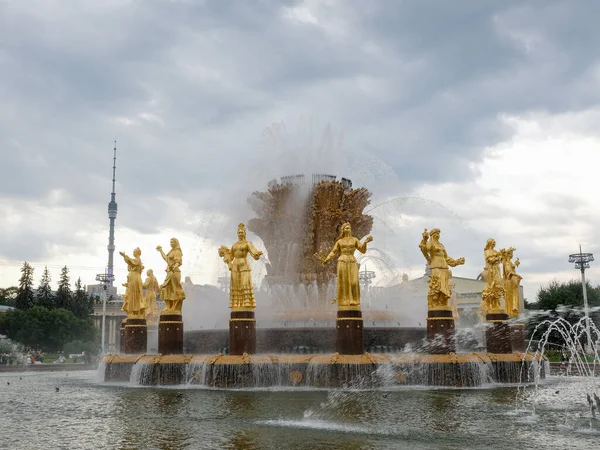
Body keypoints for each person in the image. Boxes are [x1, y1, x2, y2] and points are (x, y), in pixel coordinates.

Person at [320, 222, 373, 309]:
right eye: (346, 228)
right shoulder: (339, 241)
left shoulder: (355, 240)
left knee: (354, 282)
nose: (348, 230)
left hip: (352, 260)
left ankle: (354, 300)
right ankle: (344, 300)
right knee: (343, 281)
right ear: (343, 230)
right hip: (342, 261)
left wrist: (365, 242)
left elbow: (362, 250)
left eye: (349, 228)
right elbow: (333, 252)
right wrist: (326, 260)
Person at [218, 223, 263, 309]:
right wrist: (225, 255)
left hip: (244, 264)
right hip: (235, 265)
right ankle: (236, 304)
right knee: (236, 284)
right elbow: (231, 256)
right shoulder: (234, 245)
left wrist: (257, 254)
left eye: (242, 232)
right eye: (239, 233)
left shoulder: (248, 243)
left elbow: (253, 252)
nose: (240, 234)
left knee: (244, 283)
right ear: (237, 233)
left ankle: (247, 303)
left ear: (244, 233)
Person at [157, 238, 186, 314]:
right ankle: (168, 307)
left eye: (172, 242)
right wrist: (161, 251)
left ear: (176, 242)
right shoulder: (171, 251)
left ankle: (175, 307)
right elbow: (166, 259)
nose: (171, 243)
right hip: (169, 272)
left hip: (174, 272)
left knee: (174, 289)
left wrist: (174, 267)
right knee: (166, 289)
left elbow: (178, 261)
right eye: (170, 242)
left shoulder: (177, 251)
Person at [120, 248, 145, 317]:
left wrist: (125, 256)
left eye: (134, 252)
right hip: (133, 279)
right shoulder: (135, 260)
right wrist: (124, 256)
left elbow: (133, 262)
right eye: (133, 252)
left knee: (135, 294)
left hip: (135, 278)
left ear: (138, 253)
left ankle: (136, 311)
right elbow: (130, 262)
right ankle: (134, 311)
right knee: (132, 294)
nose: (133, 253)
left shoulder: (138, 259)